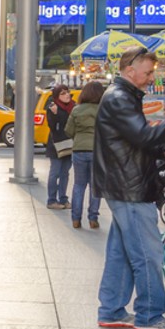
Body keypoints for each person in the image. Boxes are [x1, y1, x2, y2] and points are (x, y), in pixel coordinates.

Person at [94, 48, 165, 329]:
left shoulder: (120, 96)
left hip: (126, 184)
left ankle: (111, 310)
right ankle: (149, 315)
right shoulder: (120, 98)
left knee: (121, 252)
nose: (152, 78)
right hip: (130, 187)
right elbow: (144, 136)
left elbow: (139, 139)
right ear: (129, 70)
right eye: (148, 72)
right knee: (147, 254)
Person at [66, 81, 104, 230]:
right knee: (95, 186)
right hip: (98, 150)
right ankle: (93, 218)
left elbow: (68, 131)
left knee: (79, 185)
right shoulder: (103, 110)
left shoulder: (76, 110)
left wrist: (79, 136)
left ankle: (76, 219)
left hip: (79, 149)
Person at [45, 84, 75, 210]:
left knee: (65, 173)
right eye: (62, 93)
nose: (67, 95)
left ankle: (63, 199)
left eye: (67, 92)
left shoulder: (73, 106)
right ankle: (52, 200)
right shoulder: (53, 107)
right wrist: (55, 114)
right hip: (56, 145)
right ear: (57, 96)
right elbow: (53, 127)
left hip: (70, 144)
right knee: (55, 172)